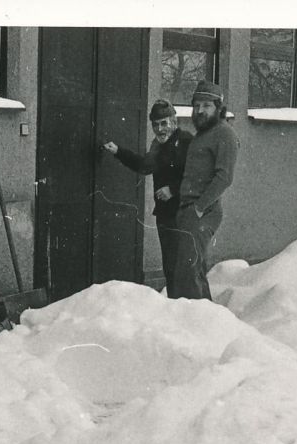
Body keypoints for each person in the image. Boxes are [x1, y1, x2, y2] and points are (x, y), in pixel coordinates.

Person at [102, 100, 193, 297]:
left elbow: (197, 175)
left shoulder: (186, 141)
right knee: (170, 266)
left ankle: (191, 307)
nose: (159, 129)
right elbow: (145, 166)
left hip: (184, 213)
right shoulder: (158, 145)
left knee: (184, 267)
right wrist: (118, 151)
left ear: (174, 121)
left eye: (164, 123)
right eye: (155, 124)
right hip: (165, 214)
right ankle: (176, 305)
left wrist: (173, 190)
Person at [174, 80, 240, 300]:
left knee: (187, 271)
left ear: (219, 108)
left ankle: (193, 316)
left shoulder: (225, 134)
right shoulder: (202, 134)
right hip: (189, 210)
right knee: (194, 269)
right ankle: (206, 315)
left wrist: (199, 208)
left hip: (204, 211)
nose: (200, 110)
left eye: (206, 105)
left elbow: (224, 177)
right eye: (196, 105)